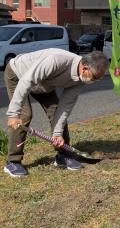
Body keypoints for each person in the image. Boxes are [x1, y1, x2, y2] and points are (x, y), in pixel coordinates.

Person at [4, 49, 108, 177]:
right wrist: (13, 114)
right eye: (95, 77)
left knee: (56, 112)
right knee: (24, 115)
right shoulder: (56, 60)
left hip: (44, 84)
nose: (95, 81)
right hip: (18, 74)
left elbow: (64, 107)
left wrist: (57, 134)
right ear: (85, 68)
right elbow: (26, 81)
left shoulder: (81, 80)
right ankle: (12, 161)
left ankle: (63, 155)